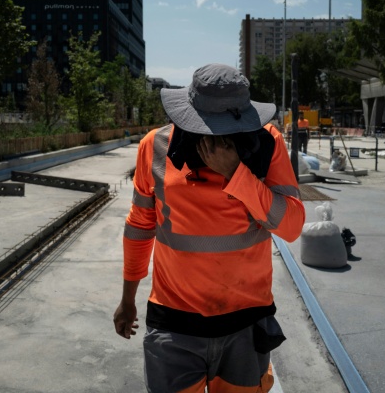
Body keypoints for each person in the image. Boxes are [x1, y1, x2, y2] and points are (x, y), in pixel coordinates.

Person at [113, 63, 306, 392]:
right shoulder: (156, 146)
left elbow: (291, 225)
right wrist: (128, 297)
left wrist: (237, 175)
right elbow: (139, 228)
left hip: (244, 324)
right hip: (174, 323)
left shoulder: (266, 143)